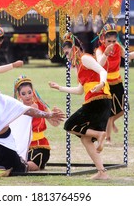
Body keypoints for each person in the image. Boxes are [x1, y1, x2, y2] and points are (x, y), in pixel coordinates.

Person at [48, 32, 111, 180]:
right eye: (65, 53)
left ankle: (99, 134)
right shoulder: (80, 66)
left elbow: (102, 70)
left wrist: (101, 83)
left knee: (69, 124)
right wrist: (60, 88)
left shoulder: (85, 58)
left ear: (75, 48)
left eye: (68, 52)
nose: (67, 56)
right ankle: (102, 172)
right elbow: (79, 90)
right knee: (84, 139)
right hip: (98, 102)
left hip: (99, 101)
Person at [94, 23, 134, 143]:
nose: (112, 43)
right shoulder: (100, 50)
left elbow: (128, 56)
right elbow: (99, 64)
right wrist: (106, 53)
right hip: (106, 83)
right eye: (109, 41)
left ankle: (112, 122)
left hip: (117, 82)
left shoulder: (118, 47)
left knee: (124, 108)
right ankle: (107, 138)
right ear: (103, 39)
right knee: (109, 112)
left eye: (114, 40)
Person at [14, 75, 60, 171]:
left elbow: (55, 124)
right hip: (22, 146)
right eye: (24, 93)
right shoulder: (17, 109)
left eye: (29, 92)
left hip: (40, 146)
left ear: (33, 91)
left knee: (31, 165)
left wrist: (57, 116)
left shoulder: (40, 105)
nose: (27, 96)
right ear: (19, 95)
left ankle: (17, 167)